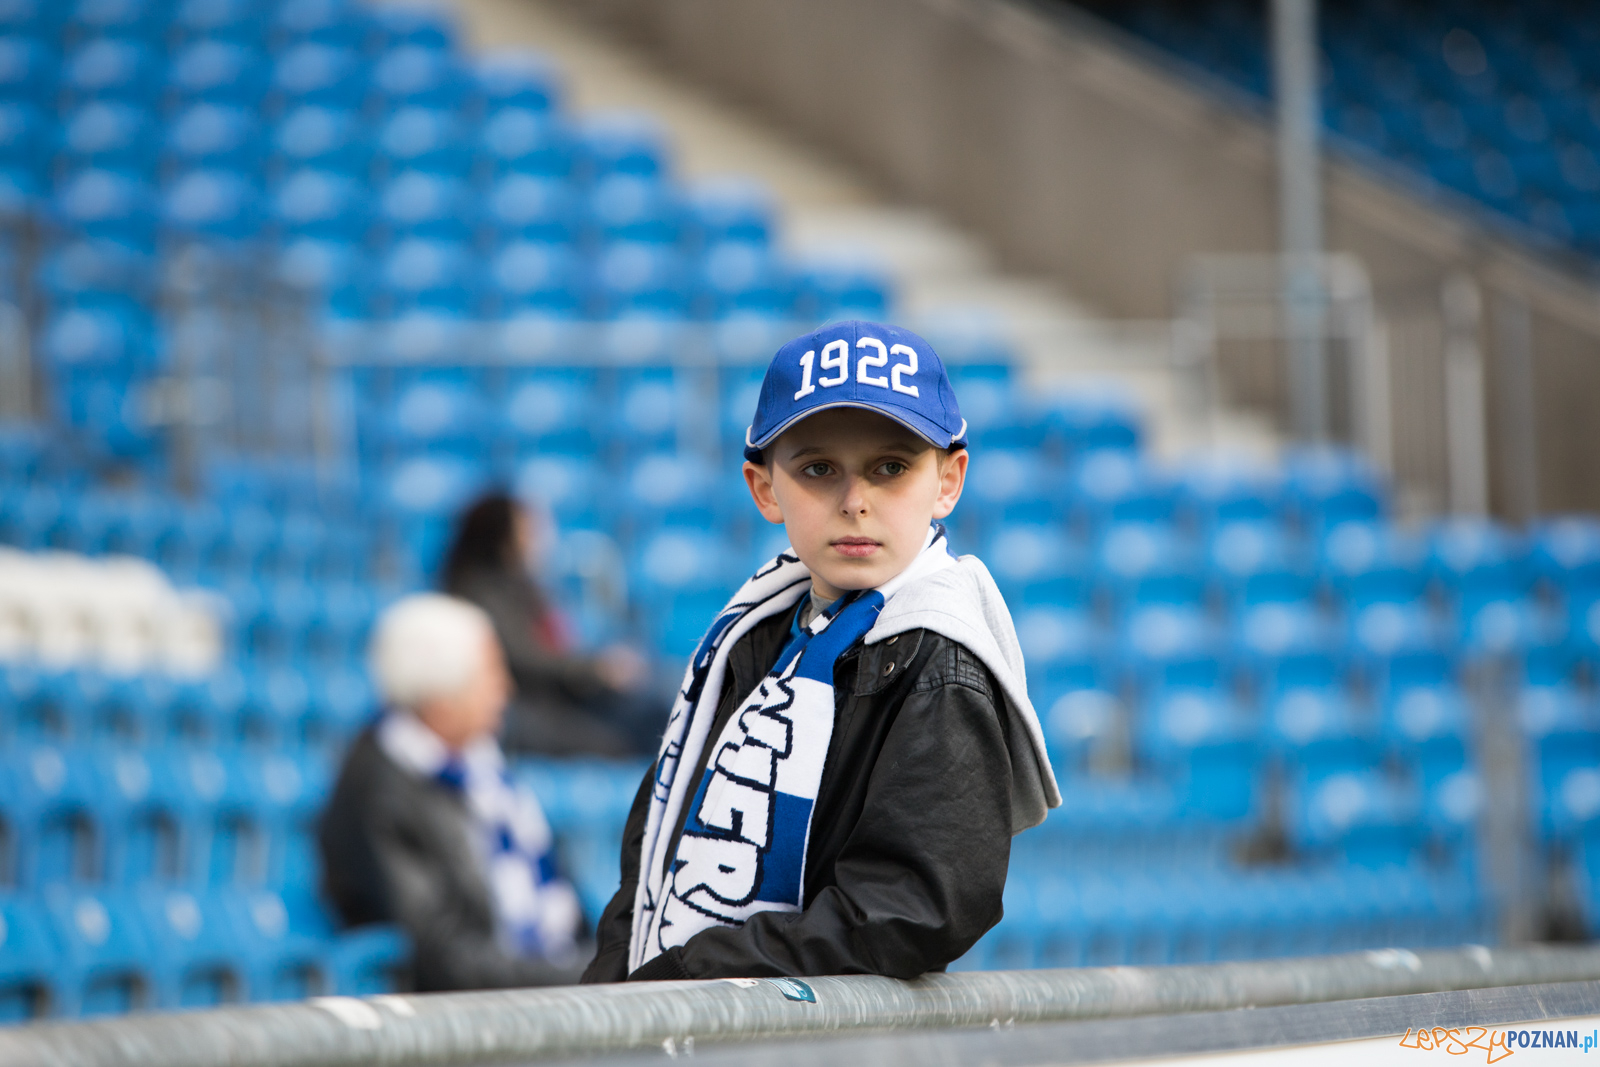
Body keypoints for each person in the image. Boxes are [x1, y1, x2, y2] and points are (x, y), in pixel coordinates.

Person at [582, 320, 1061, 983]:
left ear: (948, 481)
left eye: (891, 467)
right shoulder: (748, 637)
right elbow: (652, 862)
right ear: (764, 487)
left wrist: (690, 975)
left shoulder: (942, 662)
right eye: (818, 469)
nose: (855, 502)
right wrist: (614, 996)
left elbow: (914, 907)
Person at [319, 593, 589, 991]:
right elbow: (448, 957)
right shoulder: (380, 792)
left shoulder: (482, 766)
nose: (506, 689)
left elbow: (565, 902)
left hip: (536, 983)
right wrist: (582, 974)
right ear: (441, 701)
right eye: (492, 674)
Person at [440, 492, 657, 758]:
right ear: (504, 536)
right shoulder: (479, 591)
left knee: (652, 706)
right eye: (529, 528)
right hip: (524, 708)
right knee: (611, 744)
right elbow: (523, 658)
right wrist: (596, 669)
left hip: (557, 697)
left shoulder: (523, 585)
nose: (541, 537)